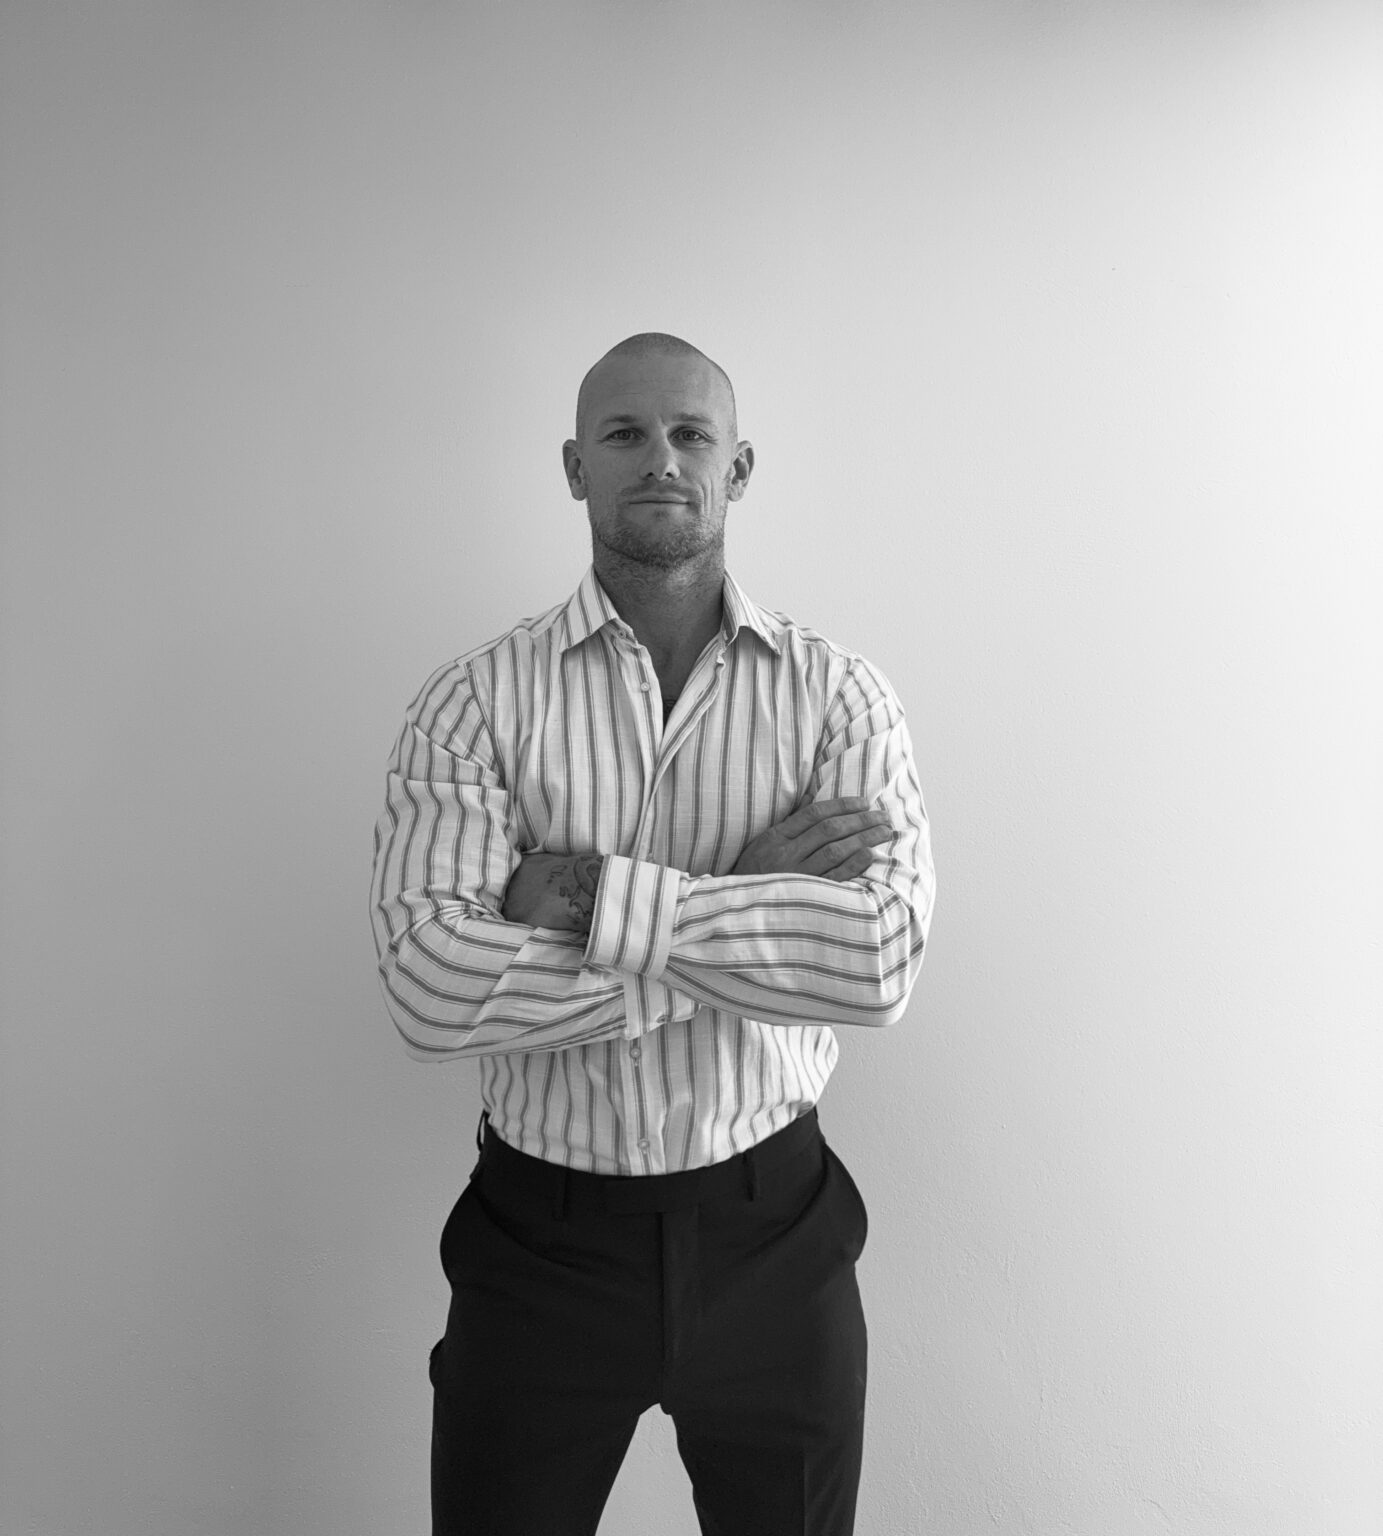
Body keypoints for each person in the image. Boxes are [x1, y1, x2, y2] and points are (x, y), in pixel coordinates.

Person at [369, 332, 936, 1536]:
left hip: (776, 1238)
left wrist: (588, 899)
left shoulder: (839, 698)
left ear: (740, 467)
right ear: (577, 467)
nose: (661, 460)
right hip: (540, 1251)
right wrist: (751, 896)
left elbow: (879, 962)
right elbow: (429, 986)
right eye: (625, 434)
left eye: (690, 434)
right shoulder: (472, 703)